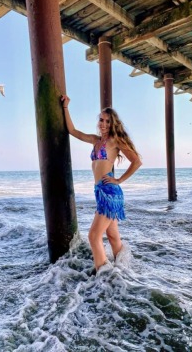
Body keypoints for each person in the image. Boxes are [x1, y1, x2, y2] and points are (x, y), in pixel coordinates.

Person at [61, 95, 142, 274]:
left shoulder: (115, 141)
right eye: (101, 120)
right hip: (101, 192)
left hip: (110, 193)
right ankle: (125, 269)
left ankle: (104, 278)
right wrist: (66, 108)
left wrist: (119, 179)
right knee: (112, 236)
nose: (103, 124)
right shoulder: (95, 140)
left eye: (107, 121)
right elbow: (72, 130)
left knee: (93, 236)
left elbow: (136, 161)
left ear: (113, 124)